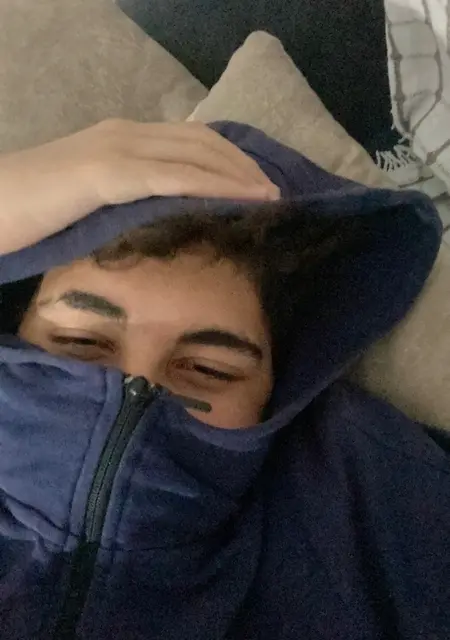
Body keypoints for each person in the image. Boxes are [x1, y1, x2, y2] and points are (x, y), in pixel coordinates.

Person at [0, 119, 448, 640]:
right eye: (80, 343)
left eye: (208, 369)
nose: (136, 385)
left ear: (276, 388)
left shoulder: (365, 483)